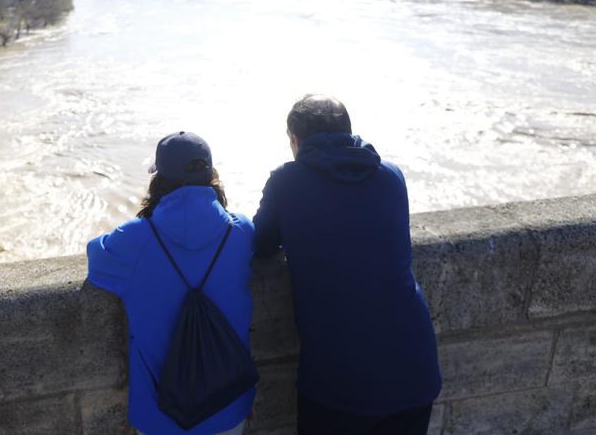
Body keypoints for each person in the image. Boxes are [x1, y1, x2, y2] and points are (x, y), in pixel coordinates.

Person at [253, 95, 442, 435]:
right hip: (414, 369)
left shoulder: (287, 181)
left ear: (295, 141)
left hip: (340, 383)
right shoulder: (391, 176)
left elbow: (261, 244)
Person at [87, 131, 256, 435]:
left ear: (158, 180)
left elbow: (95, 257)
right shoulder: (241, 232)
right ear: (211, 175)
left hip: (161, 417)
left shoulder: (133, 240)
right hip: (228, 408)